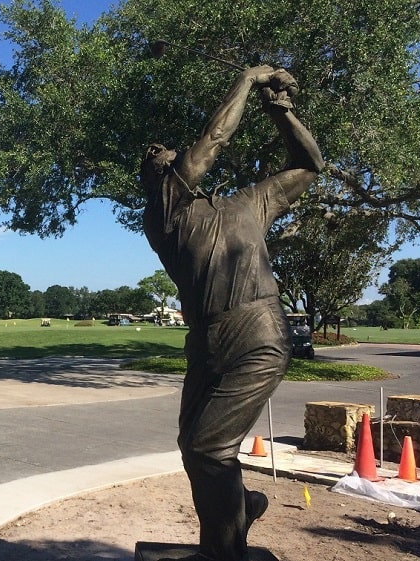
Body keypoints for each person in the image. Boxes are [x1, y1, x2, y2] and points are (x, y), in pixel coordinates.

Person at [141, 66, 324, 561]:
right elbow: (214, 139)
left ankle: (224, 548)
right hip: (205, 342)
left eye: (164, 150)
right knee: (195, 445)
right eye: (156, 157)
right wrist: (247, 79)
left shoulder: (250, 204)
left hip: (256, 334)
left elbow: (309, 164)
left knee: (207, 449)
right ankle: (239, 509)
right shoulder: (166, 213)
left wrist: (281, 111)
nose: (160, 152)